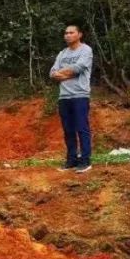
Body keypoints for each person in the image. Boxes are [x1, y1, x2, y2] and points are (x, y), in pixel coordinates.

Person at [49, 23, 93, 173]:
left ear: (79, 34)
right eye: (66, 33)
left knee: (82, 128)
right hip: (64, 97)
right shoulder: (62, 53)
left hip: (80, 95)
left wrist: (62, 74)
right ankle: (71, 160)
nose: (67, 35)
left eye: (71, 32)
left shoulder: (86, 50)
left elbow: (78, 68)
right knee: (68, 130)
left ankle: (85, 161)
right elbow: (52, 72)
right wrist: (65, 74)